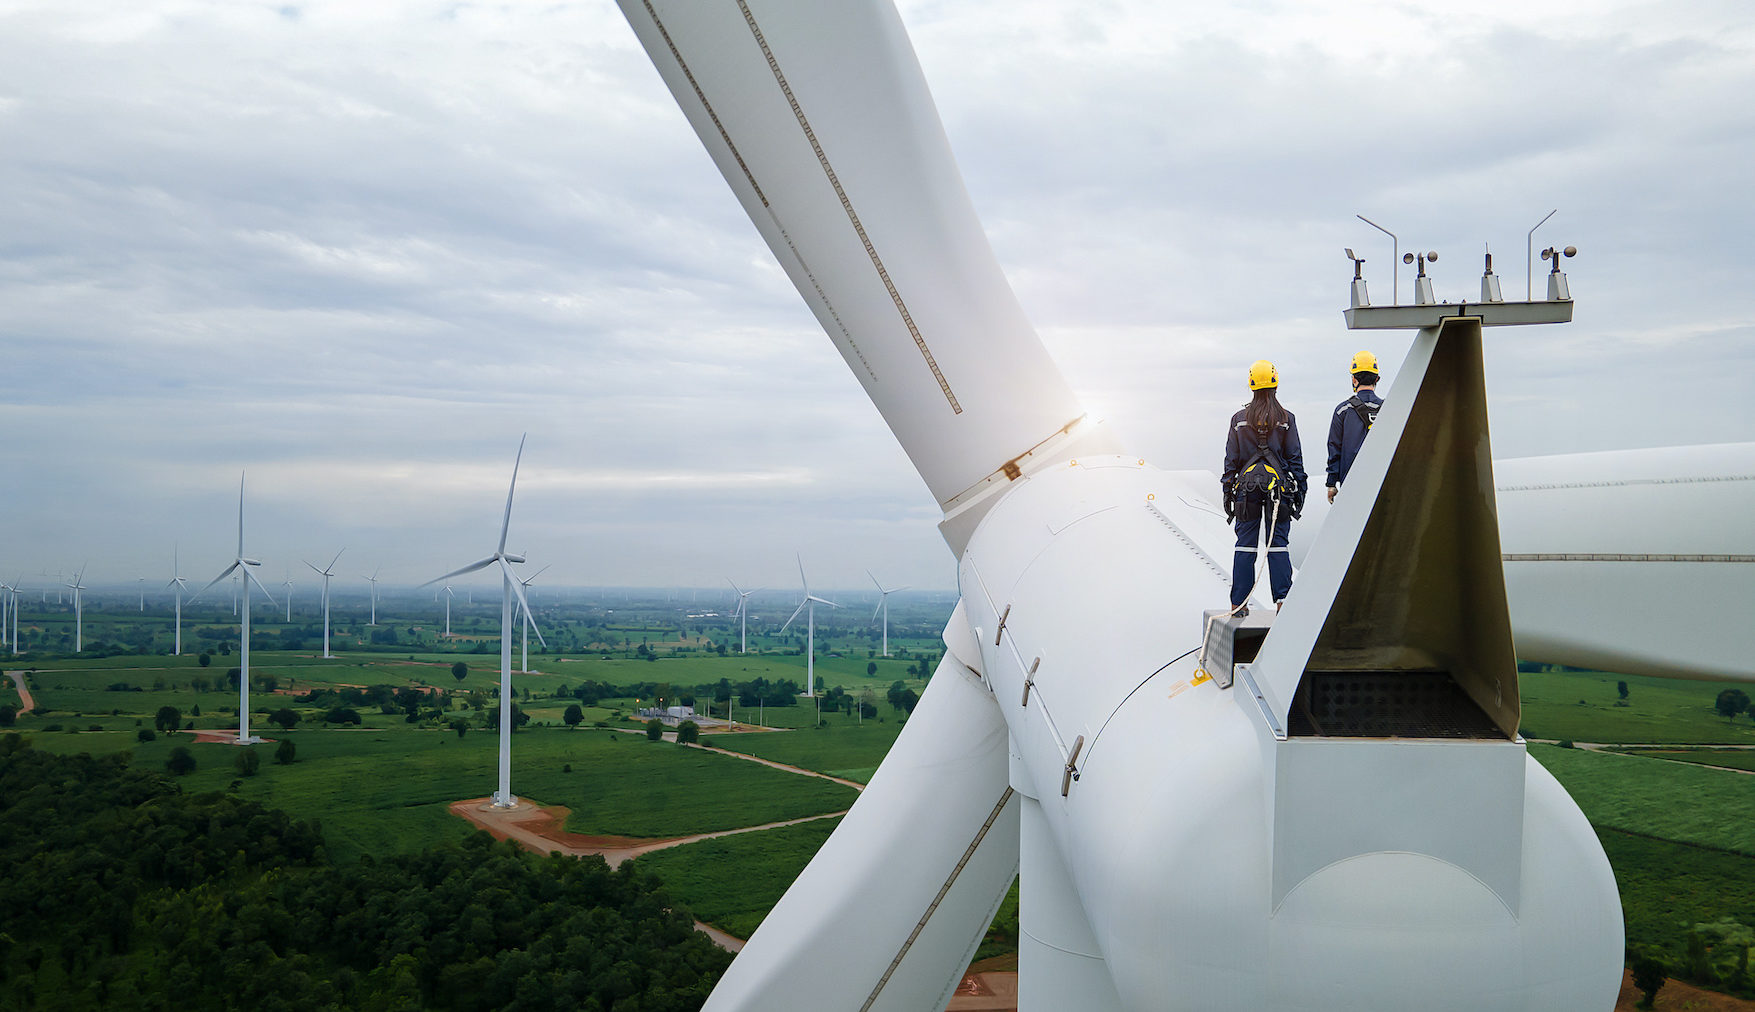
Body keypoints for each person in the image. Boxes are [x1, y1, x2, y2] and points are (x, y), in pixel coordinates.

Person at [1222, 360, 1306, 615]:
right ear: (1275, 382)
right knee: (1278, 543)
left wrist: (1227, 491)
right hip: (1277, 491)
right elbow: (1294, 457)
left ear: (1251, 383)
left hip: (1247, 490)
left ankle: (1238, 604)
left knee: (1245, 544)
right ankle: (1282, 603)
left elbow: (1231, 459)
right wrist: (1300, 490)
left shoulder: (1238, 420)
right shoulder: (1286, 419)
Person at [1325, 350, 1383, 503]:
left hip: (1351, 481)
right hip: (1382, 479)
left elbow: (1334, 448)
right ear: (1377, 379)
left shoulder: (1342, 410)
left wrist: (1332, 483)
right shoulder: (1388, 409)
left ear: (1354, 380)